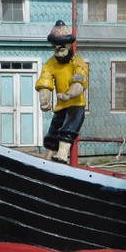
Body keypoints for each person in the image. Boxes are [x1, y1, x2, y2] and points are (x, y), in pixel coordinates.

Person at [35, 20, 89, 164]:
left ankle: (63, 154)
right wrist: (44, 100)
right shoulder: (51, 63)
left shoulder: (78, 62)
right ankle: (48, 157)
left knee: (69, 128)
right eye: (55, 50)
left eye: (61, 50)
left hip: (76, 104)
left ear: (69, 45)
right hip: (60, 106)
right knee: (54, 131)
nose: (58, 54)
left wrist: (69, 94)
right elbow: (45, 82)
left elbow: (79, 82)